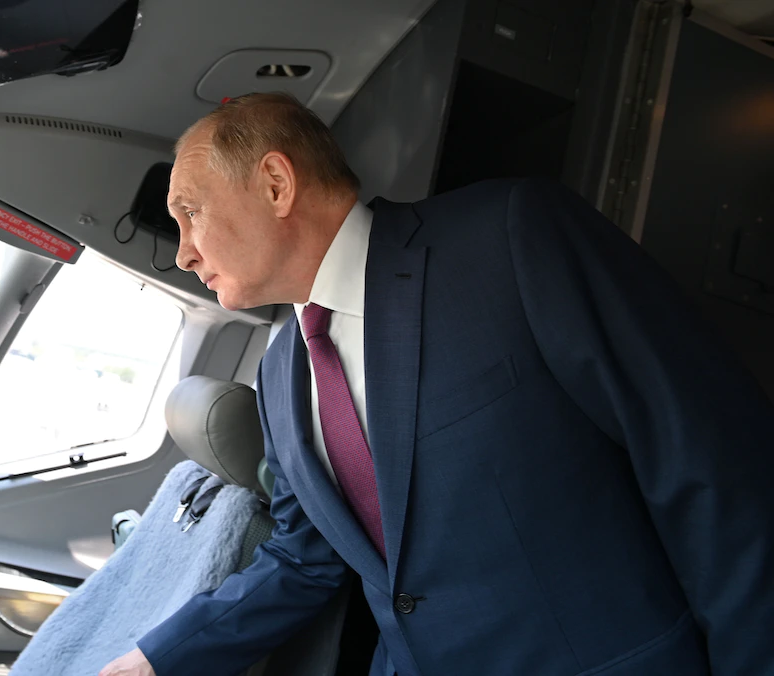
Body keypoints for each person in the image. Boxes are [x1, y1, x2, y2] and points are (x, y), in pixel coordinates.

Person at [99, 92, 774, 676]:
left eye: (191, 212)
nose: (183, 252)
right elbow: (305, 559)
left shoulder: (509, 239)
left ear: (276, 183)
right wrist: (156, 660)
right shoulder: (279, 375)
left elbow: (708, 460)